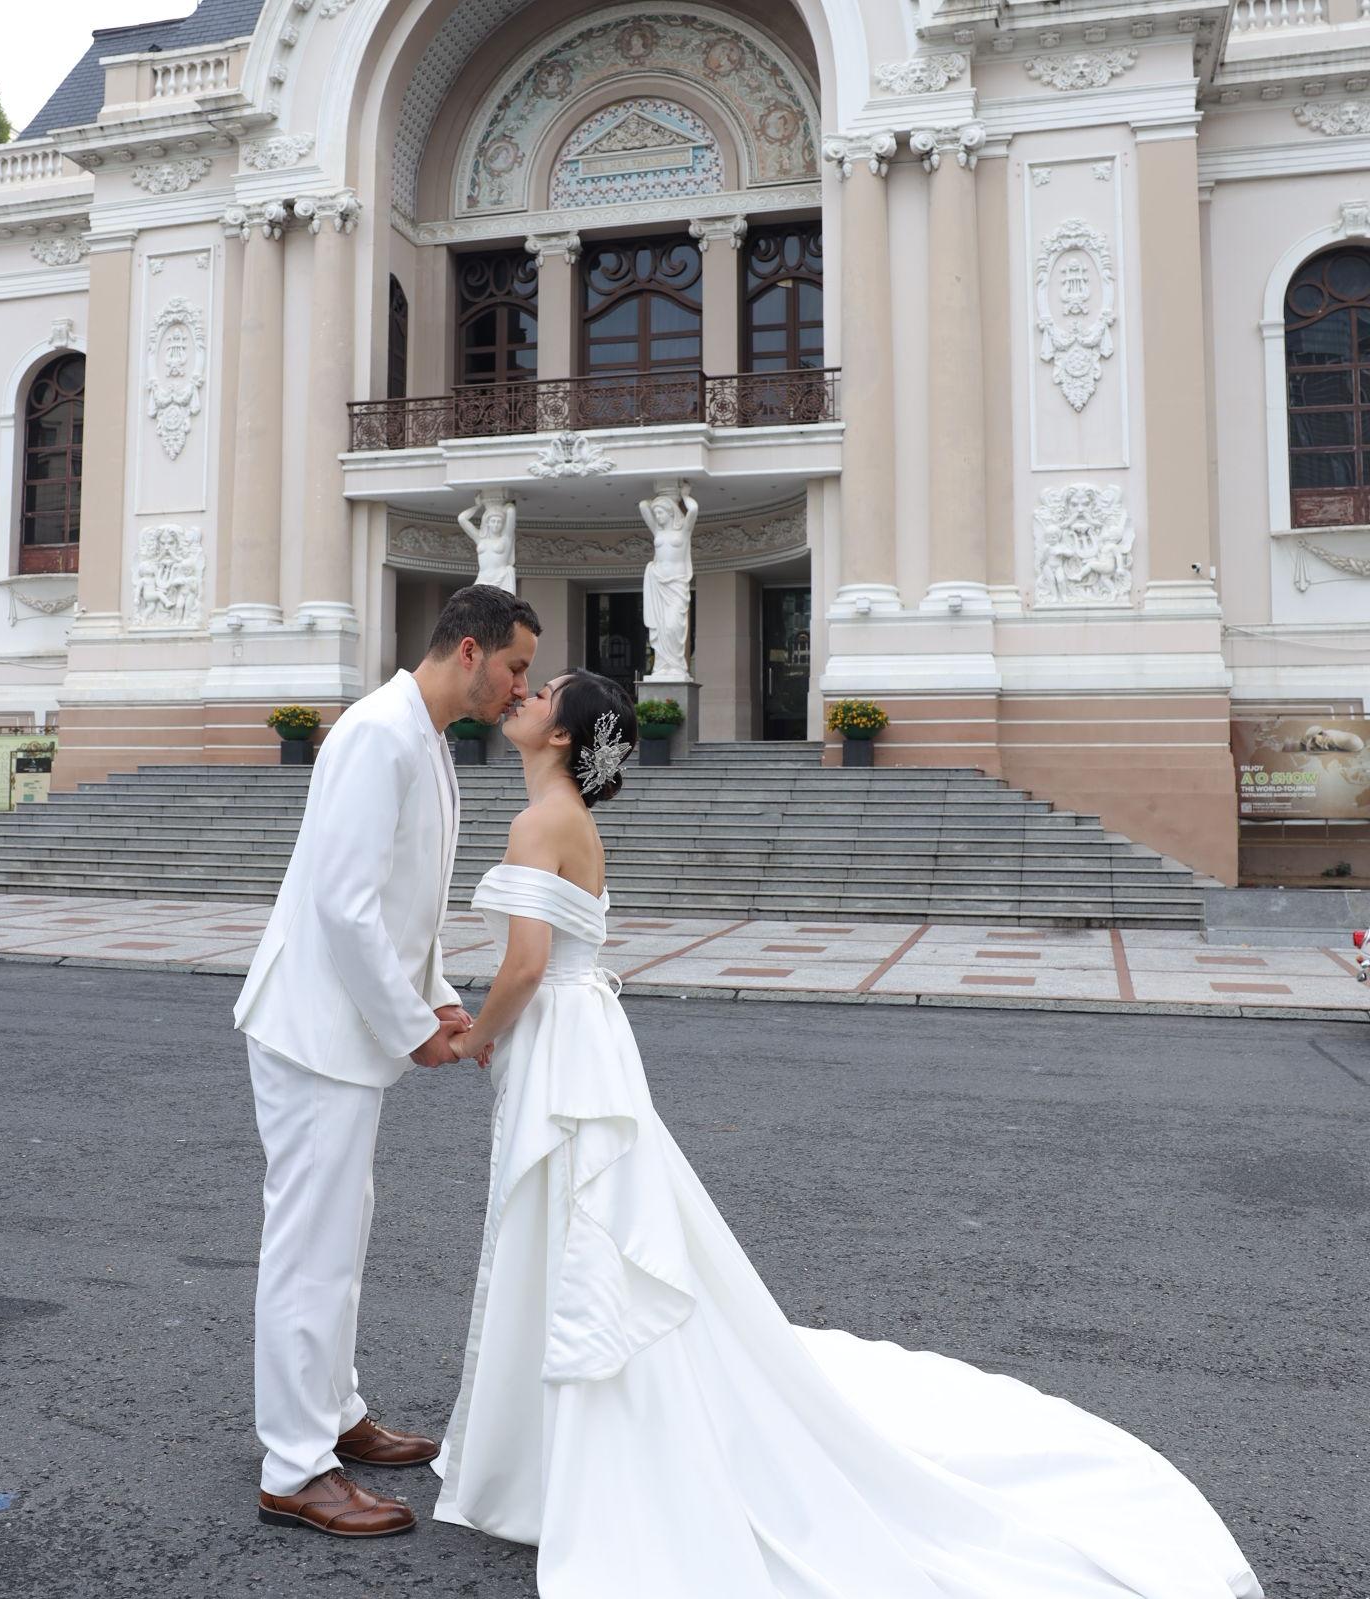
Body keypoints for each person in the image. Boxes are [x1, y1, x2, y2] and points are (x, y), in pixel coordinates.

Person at [432, 668, 1264, 1599]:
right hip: (584, 1035)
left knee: (569, 1217)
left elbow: (526, 964)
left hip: (557, 1034)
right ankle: (566, 1427)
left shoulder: (538, 822)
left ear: (561, 735)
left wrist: (477, 1034)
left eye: (542, 694)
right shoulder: (574, 822)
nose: (524, 698)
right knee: (589, 1217)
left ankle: (570, 1446)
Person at [233, 584, 540, 1540]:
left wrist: (439, 989)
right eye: (517, 666)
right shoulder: (377, 732)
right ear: (469, 652)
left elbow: (405, 900)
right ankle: (294, 1465)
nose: (520, 688)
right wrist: (414, 1024)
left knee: (342, 1235)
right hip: (316, 1027)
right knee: (311, 1247)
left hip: (345, 1027)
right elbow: (343, 903)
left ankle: (334, 1414)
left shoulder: (425, 737)